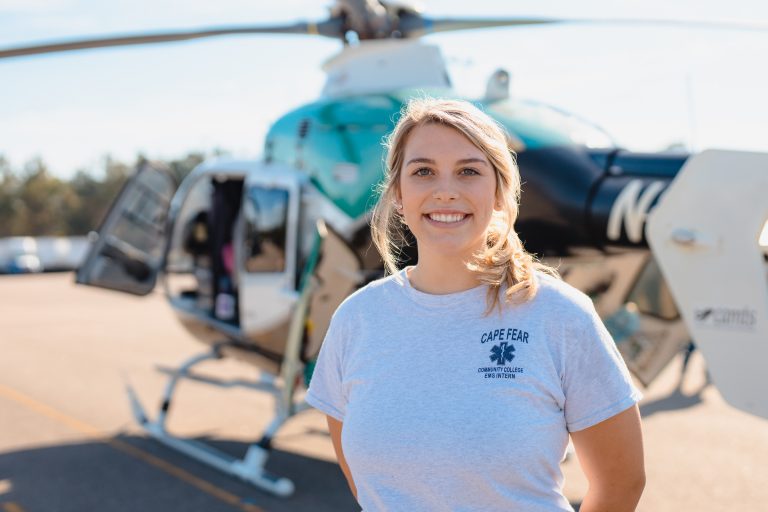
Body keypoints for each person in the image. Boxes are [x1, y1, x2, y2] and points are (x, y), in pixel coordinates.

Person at [305, 98, 645, 511]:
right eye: (423, 171)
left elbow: (621, 483)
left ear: (500, 192)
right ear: (398, 193)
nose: (445, 191)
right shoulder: (356, 320)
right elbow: (369, 487)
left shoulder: (559, 316)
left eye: (468, 171)